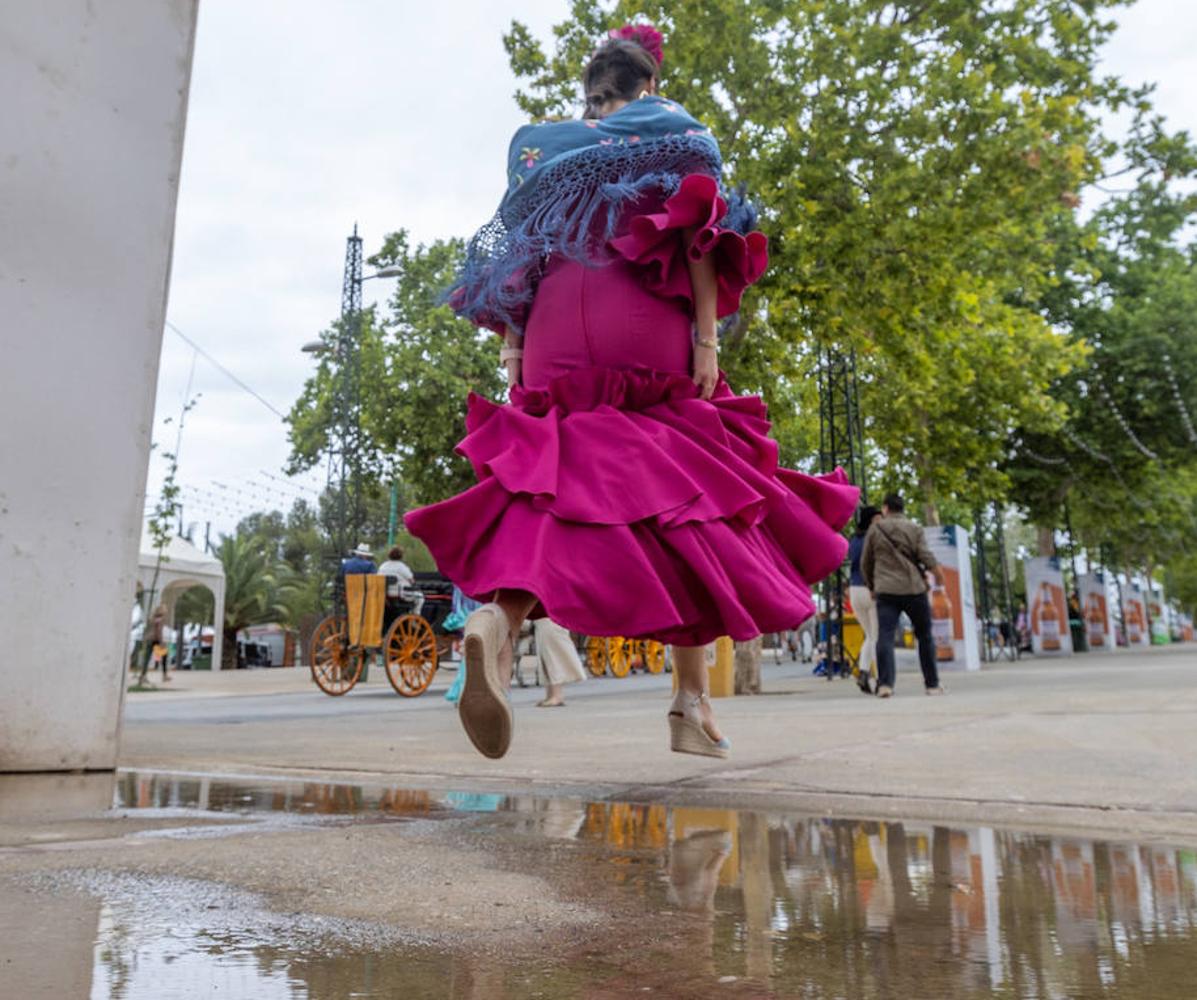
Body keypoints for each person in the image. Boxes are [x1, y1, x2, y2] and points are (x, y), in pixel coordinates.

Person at [405, 23, 857, 759]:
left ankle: (499, 619)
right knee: (689, 499)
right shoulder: (675, 132)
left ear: (592, 88)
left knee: (550, 486)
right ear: (649, 83)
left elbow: (515, 258)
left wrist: (516, 346)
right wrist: (705, 336)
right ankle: (689, 701)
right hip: (638, 319)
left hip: (551, 326)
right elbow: (699, 238)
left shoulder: (542, 149)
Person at [860, 494, 946, 697]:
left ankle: (885, 685)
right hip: (913, 589)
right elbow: (924, 555)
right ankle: (932, 684)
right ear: (902, 508)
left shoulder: (875, 529)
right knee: (924, 636)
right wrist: (938, 575)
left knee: (885, 637)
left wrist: (872, 586)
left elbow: (866, 562)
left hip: (886, 590)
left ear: (885, 508)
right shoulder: (914, 528)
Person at [847, 505, 882, 694]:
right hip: (870, 589)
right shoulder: (874, 538)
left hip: (854, 590)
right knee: (876, 637)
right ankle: (880, 678)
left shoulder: (853, 540)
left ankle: (863, 671)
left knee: (869, 635)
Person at [533, 618, 586, 707]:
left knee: (553, 654)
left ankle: (557, 695)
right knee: (545, 654)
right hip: (542, 617)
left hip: (551, 617)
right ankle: (550, 694)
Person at [378, 545, 424, 616]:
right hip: (400, 594)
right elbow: (412, 581)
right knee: (420, 597)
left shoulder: (382, 566)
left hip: (385, 594)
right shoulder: (402, 567)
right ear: (401, 556)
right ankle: (415, 616)